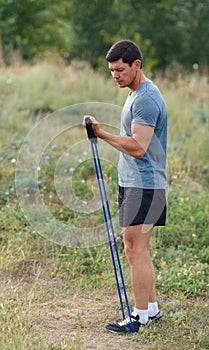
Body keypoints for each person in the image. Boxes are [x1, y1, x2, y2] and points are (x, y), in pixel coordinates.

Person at [83, 40, 167, 333]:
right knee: (138, 249)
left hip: (144, 186)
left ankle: (139, 316)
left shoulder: (145, 98)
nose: (115, 75)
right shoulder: (135, 93)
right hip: (136, 183)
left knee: (135, 250)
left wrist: (101, 134)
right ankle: (152, 311)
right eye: (111, 71)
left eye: (120, 69)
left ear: (136, 65)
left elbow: (139, 147)